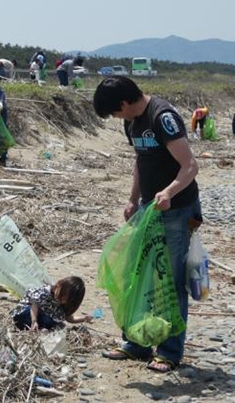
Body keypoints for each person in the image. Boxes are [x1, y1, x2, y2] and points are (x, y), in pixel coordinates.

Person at [93, 77, 202, 373]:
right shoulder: (131, 122)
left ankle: (169, 351)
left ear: (124, 104)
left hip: (178, 210)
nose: (117, 119)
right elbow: (141, 162)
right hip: (149, 210)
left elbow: (190, 166)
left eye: (115, 113)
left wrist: (168, 192)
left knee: (171, 279)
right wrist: (133, 200)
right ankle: (137, 343)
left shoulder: (161, 117)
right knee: (139, 274)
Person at [11, 277, 92, 331]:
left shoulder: (63, 306)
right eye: (62, 294)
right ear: (58, 285)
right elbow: (34, 305)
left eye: (65, 299)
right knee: (28, 312)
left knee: (53, 321)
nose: (61, 299)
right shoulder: (45, 292)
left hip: (41, 322)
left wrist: (84, 318)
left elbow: (69, 318)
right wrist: (34, 321)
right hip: (26, 314)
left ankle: (41, 330)